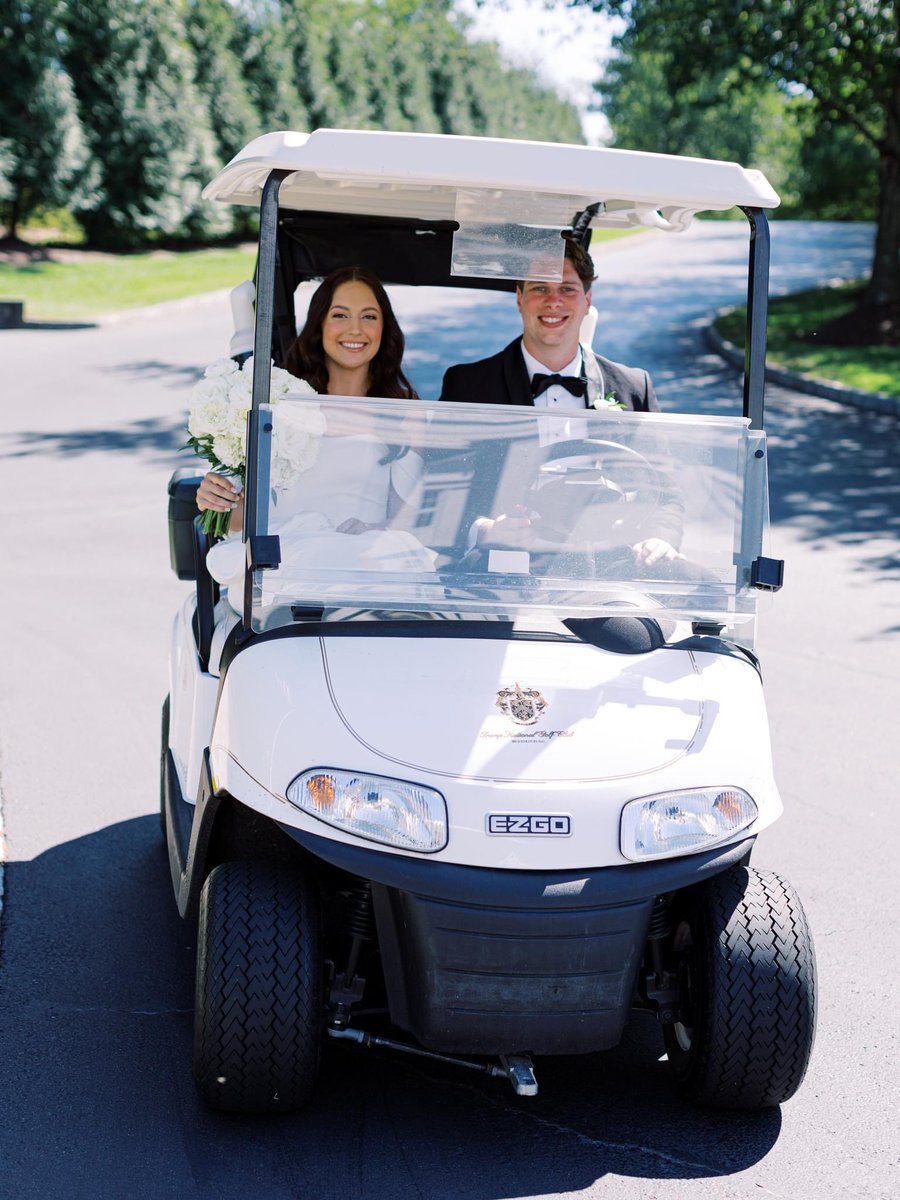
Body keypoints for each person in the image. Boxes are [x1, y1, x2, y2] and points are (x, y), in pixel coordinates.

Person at [439, 234, 683, 569]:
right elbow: (442, 494)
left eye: (567, 288)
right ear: (520, 298)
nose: (554, 301)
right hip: (503, 565)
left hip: (607, 561)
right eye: (540, 288)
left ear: (587, 300)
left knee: (648, 622)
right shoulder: (469, 385)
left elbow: (665, 493)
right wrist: (486, 530)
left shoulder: (631, 386)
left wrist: (658, 538)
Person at [196, 265, 420, 536]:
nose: (355, 329)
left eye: (369, 317)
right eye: (340, 315)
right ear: (319, 323)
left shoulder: (404, 409)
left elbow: (411, 521)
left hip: (362, 561)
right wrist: (217, 498)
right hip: (282, 559)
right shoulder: (281, 400)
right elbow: (239, 522)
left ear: (384, 327)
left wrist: (374, 531)